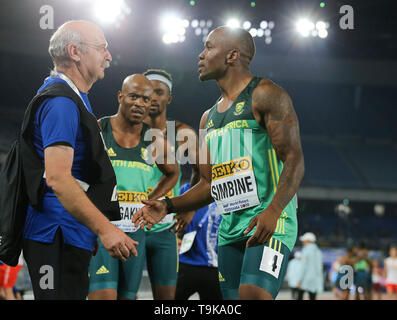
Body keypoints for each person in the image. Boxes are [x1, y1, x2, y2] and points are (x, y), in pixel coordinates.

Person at [133, 26, 305, 300]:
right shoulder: (207, 118)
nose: (200, 55)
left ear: (232, 56)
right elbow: (210, 184)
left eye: (209, 47)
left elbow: (295, 159)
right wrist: (166, 206)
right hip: (229, 231)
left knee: (253, 296)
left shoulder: (265, 94)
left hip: (270, 222)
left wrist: (273, 211)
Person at [21, 20, 138, 300]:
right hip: (56, 232)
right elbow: (58, 178)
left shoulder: (73, 97)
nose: (109, 56)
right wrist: (105, 228)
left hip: (68, 232)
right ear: (75, 52)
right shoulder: (61, 103)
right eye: (102, 48)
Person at [87, 74, 179, 300]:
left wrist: (151, 200)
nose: (140, 103)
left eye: (145, 99)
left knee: (127, 297)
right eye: (134, 96)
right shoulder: (99, 129)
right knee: (103, 296)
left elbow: (173, 172)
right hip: (103, 229)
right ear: (120, 96)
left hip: (134, 230)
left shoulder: (154, 139)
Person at [142, 69, 200, 300]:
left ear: (169, 98)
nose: (153, 97)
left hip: (164, 228)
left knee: (167, 302)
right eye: (148, 92)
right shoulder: (124, 130)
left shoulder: (181, 133)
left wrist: (189, 208)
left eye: (160, 92)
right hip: (128, 223)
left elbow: (204, 173)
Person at [175, 183, 223, 300]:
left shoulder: (224, 191)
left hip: (215, 266)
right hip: (187, 263)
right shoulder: (186, 189)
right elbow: (178, 224)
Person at [296, 232, 323, 300]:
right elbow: (319, 268)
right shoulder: (318, 251)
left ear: (308, 241)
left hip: (305, 279)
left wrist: (299, 280)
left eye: (304, 241)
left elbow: (303, 267)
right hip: (315, 280)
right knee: (313, 297)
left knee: (299, 296)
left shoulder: (306, 250)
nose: (302, 242)